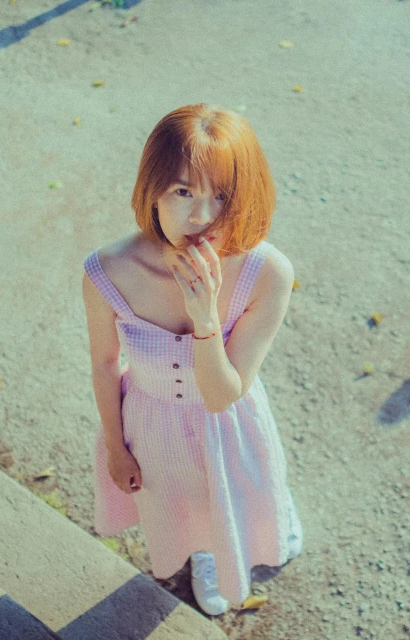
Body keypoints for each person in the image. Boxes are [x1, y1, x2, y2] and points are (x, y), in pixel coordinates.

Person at [81, 103, 304, 616]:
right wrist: (116, 447)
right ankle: (206, 553)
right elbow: (103, 364)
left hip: (231, 423)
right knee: (184, 502)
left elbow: (224, 394)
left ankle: (260, 530)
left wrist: (205, 318)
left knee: (246, 491)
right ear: (153, 188)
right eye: (183, 191)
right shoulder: (107, 271)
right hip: (151, 422)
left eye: (221, 195)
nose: (202, 217)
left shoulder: (268, 273)